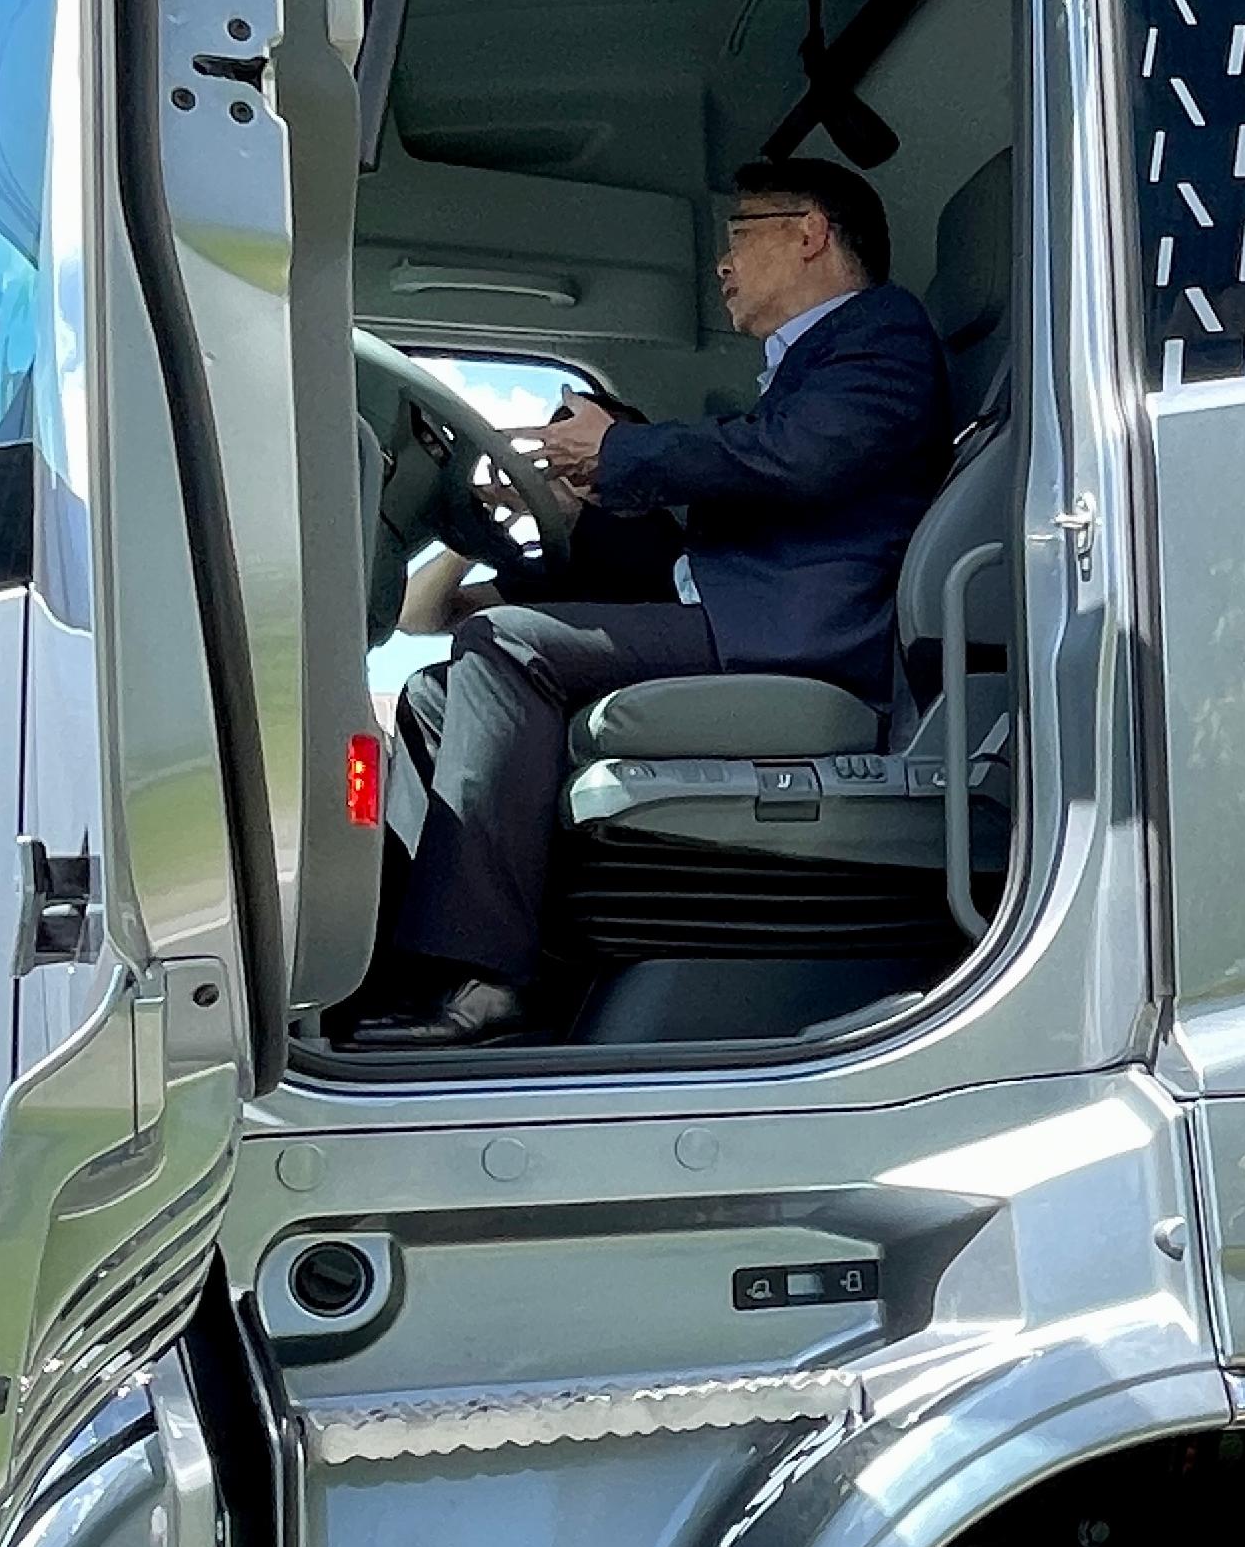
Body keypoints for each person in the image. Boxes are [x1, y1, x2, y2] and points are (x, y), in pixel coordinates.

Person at [354, 155, 956, 1047]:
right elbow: (756, 478)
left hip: (799, 645)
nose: (722, 263)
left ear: (809, 232)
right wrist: (575, 494)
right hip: (733, 619)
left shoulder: (883, 336)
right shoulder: (810, 370)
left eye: (739, 235)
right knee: (438, 687)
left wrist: (621, 451)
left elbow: (792, 457)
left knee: (505, 647)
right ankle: (421, 975)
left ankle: (492, 983)